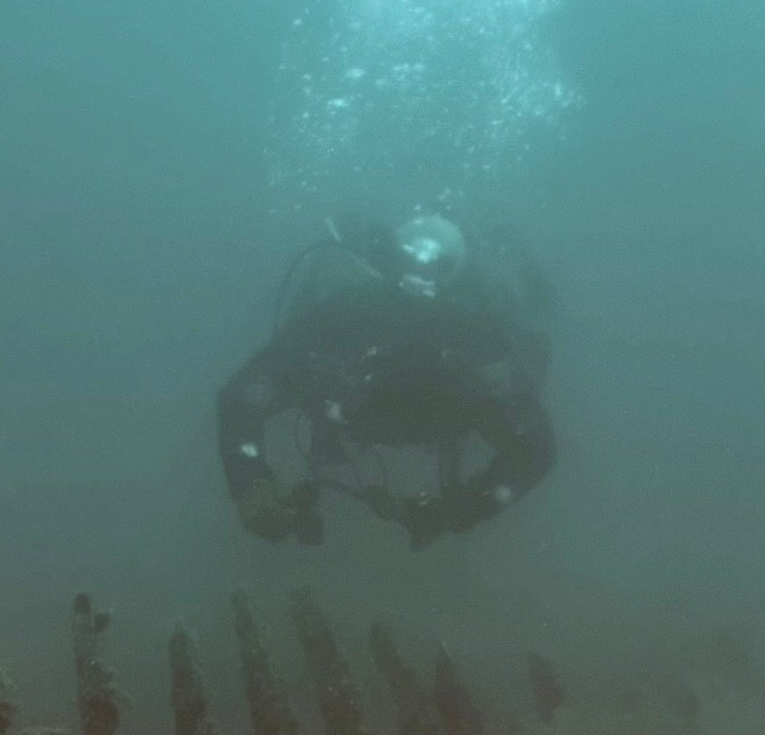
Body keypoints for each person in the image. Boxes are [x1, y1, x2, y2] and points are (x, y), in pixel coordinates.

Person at [216, 212, 557, 549]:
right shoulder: (343, 320)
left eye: (433, 269)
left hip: (406, 413)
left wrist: (452, 513)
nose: (416, 282)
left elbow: (536, 448)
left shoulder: (472, 341)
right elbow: (244, 395)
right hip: (372, 415)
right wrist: (252, 486)